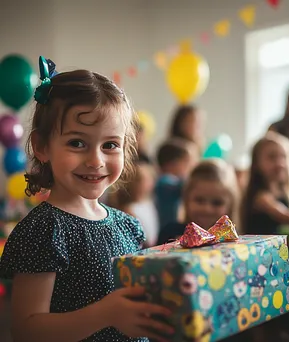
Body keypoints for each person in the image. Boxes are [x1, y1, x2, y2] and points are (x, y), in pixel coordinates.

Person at [0, 56, 173, 342]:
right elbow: (26, 330)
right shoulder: (44, 230)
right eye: (77, 143)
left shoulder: (128, 225)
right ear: (42, 146)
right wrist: (105, 314)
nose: (96, 160)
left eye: (110, 145)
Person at [157, 159, 240, 245]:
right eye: (199, 200)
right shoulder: (170, 234)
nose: (207, 209)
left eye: (217, 203)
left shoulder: (238, 241)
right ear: (187, 199)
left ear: (231, 205)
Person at [241, 131, 289, 235]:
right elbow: (283, 214)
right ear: (257, 163)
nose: (279, 163)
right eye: (271, 157)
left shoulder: (282, 191)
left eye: (283, 157)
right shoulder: (261, 196)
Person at [107, 160, 159, 247]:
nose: (149, 183)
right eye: (141, 180)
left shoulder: (149, 202)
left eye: (150, 179)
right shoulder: (128, 209)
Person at [154, 138, 196, 233]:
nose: (190, 167)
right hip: (167, 231)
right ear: (172, 164)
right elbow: (185, 187)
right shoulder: (164, 181)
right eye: (187, 162)